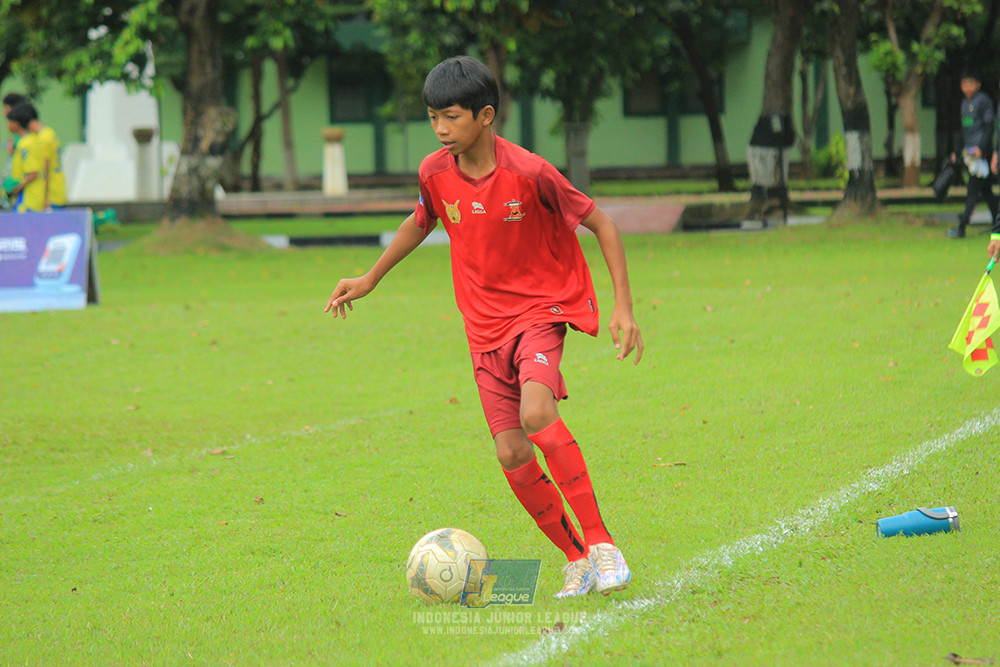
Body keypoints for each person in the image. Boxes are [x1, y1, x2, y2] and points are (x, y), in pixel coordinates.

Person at [324, 56, 643, 598]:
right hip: (483, 329)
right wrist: (371, 276)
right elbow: (422, 218)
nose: (441, 129)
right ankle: (577, 559)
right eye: (432, 118)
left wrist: (623, 308)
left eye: (450, 116)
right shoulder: (434, 172)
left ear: (485, 115)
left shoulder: (530, 172)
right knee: (512, 453)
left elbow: (602, 223)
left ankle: (602, 543)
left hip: (540, 312)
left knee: (537, 411)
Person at [949, 70, 998, 239]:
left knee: (973, 190)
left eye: (971, 83)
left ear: (978, 84)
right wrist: (957, 151)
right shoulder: (964, 103)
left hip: (981, 155)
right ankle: (996, 226)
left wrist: (982, 148)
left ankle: (962, 226)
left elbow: (989, 126)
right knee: (986, 192)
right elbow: (965, 130)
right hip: (969, 153)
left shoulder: (984, 101)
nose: (967, 87)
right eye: (965, 83)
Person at [5, 102, 46, 212]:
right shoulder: (31, 140)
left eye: (9, 121)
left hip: (28, 200)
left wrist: (14, 189)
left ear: (16, 124)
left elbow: (33, 172)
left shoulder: (26, 144)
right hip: (31, 199)